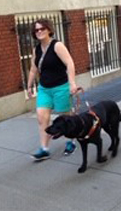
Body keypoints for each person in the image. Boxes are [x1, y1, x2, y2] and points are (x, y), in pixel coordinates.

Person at [26, 19, 80, 160]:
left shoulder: (57, 46)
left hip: (60, 87)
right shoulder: (36, 49)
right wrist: (29, 84)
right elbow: (33, 69)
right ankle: (44, 149)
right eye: (36, 30)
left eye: (42, 28)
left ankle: (70, 141)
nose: (39, 32)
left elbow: (69, 63)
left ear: (49, 29)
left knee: (65, 118)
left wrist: (72, 83)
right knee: (41, 117)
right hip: (44, 89)